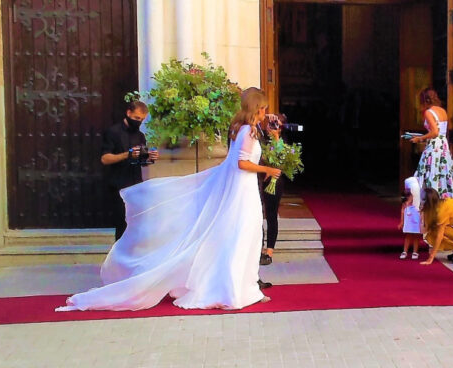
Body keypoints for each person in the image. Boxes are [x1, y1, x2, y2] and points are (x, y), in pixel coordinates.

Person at [57, 87, 281, 312]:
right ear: (257, 108)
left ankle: (243, 286)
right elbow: (241, 163)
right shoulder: (248, 132)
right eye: (263, 109)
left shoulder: (240, 129)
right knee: (244, 236)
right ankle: (237, 288)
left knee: (241, 236)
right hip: (242, 191)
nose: (265, 113)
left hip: (242, 189)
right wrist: (268, 169)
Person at [100, 100, 158, 240]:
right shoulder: (112, 132)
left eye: (142, 120)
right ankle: (119, 255)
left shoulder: (140, 136)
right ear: (128, 113)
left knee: (135, 223)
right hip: (118, 184)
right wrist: (127, 154)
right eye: (136, 118)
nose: (138, 122)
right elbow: (105, 158)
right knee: (122, 223)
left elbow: (141, 162)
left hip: (136, 184)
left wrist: (149, 158)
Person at [411, 87, 453, 200]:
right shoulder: (442, 111)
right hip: (443, 144)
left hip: (434, 145)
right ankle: (443, 195)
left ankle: (430, 197)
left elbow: (434, 131)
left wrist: (420, 138)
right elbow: (443, 131)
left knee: (431, 170)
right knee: (442, 171)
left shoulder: (429, 112)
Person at [258, 112, 286, 266]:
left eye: (277, 125)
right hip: (259, 179)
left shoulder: (281, 141)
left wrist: (276, 138)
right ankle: (259, 247)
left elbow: (282, 158)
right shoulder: (259, 137)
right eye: (272, 124)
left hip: (275, 181)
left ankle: (269, 250)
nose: (273, 127)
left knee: (271, 214)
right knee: (257, 215)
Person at [399, 176, 422, 259]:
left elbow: (422, 211)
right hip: (408, 220)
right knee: (408, 235)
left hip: (416, 219)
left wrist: (423, 222)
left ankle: (415, 252)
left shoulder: (419, 202)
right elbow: (402, 210)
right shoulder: (405, 200)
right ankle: (405, 251)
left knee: (416, 235)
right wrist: (402, 222)